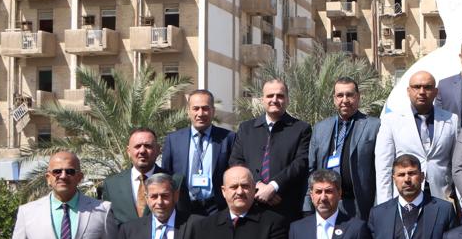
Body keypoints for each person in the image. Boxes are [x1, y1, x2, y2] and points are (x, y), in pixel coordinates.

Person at [229, 78, 312, 222]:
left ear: (287, 99)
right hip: (250, 206)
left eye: (280, 96)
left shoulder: (301, 129)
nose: (274, 99)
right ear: (262, 100)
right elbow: (236, 161)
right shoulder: (246, 129)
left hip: (284, 207)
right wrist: (257, 186)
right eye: (270, 96)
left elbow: (300, 163)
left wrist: (273, 187)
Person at [375, 71, 459, 204]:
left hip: (440, 196)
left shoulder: (451, 120)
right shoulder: (391, 120)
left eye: (427, 87)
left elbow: (456, 164)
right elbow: (384, 167)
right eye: (416, 87)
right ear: (408, 91)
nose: (422, 92)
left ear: (435, 92)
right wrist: (385, 205)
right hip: (404, 197)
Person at [306, 77, 381, 219]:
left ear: (358, 97)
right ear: (334, 99)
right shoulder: (320, 128)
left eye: (349, 95)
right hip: (325, 204)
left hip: (360, 205)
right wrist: (307, 206)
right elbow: (311, 169)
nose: (345, 100)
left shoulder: (374, 126)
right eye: (340, 95)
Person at [161, 89, 236, 216]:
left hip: (217, 209)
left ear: (213, 111)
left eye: (205, 108)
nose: (200, 113)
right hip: (183, 209)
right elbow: (166, 175)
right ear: (188, 111)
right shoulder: (173, 140)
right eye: (196, 108)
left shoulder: (228, 138)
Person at [99, 128, 176, 226]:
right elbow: (108, 222)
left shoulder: (175, 180)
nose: (142, 151)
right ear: (128, 151)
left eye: (148, 146)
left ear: (158, 150)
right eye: (137, 146)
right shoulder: (111, 185)